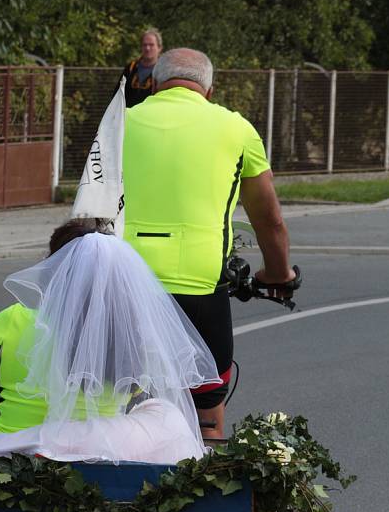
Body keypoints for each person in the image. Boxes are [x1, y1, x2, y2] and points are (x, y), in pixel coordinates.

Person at [0, 219, 219, 465]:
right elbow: (138, 394)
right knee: (163, 414)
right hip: (100, 455)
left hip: (15, 459)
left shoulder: (15, 320)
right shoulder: (131, 329)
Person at [123, 47, 296, 440]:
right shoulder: (236, 128)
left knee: (115, 399)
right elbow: (270, 221)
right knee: (208, 409)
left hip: (125, 284)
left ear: (152, 83)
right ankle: (207, 458)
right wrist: (278, 273)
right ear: (210, 89)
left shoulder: (119, 121)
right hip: (200, 284)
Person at [120, 28, 163, 107]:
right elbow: (118, 94)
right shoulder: (131, 68)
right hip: (129, 116)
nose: (147, 48)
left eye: (151, 45)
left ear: (159, 48)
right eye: (144, 45)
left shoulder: (163, 71)